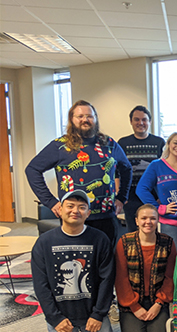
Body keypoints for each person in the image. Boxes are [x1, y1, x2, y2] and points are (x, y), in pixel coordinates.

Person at [26, 100, 132, 246]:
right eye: (80, 116)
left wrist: (122, 197)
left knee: (106, 257)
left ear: (95, 118)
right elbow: (32, 169)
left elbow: (126, 168)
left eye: (89, 116)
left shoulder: (109, 143)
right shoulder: (60, 145)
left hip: (105, 216)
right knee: (76, 257)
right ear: (72, 119)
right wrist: (50, 202)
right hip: (73, 218)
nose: (85, 120)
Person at [31, 190, 115, 332]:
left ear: (88, 213)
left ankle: (84, 330)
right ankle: (67, 331)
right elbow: (40, 284)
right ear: (60, 210)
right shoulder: (44, 242)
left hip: (91, 311)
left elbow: (107, 279)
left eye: (81, 207)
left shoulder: (100, 239)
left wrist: (99, 314)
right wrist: (55, 319)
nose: (75, 211)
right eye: (70, 206)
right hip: (62, 312)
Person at [114, 204, 176, 332]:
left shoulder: (168, 242)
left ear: (158, 220)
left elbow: (170, 276)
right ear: (136, 221)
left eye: (152, 218)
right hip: (131, 300)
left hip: (156, 300)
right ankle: (133, 324)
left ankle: (152, 324)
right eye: (144, 218)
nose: (148, 222)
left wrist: (159, 303)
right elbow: (121, 278)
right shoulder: (124, 242)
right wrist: (134, 307)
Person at [136, 131, 177, 252]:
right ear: (168, 144)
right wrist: (158, 208)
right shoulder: (156, 165)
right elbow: (141, 189)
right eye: (175, 143)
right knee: (174, 257)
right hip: (170, 223)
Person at [118, 106, 165, 232]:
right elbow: (117, 171)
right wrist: (121, 196)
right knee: (133, 232)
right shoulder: (123, 143)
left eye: (144, 119)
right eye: (137, 119)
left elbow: (164, 171)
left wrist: (161, 196)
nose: (141, 123)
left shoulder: (159, 143)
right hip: (131, 197)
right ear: (131, 121)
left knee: (153, 231)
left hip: (153, 197)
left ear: (150, 122)